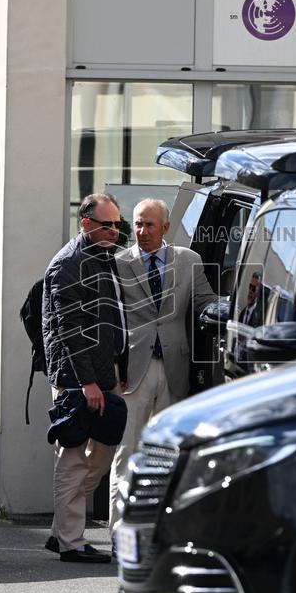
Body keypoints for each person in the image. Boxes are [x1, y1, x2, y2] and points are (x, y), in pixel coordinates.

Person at [109, 199, 217, 529]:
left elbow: (206, 303)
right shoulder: (118, 263)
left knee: (168, 452)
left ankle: (159, 529)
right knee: (127, 450)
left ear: (166, 228)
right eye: (138, 224)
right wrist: (113, 367)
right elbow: (110, 318)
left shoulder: (189, 260)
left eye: (149, 225)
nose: (141, 231)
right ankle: (118, 528)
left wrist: (244, 303)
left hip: (174, 366)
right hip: (133, 369)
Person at [42, 193, 127, 563]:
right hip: (76, 377)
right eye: (106, 224)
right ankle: (72, 543)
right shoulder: (68, 264)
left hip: (103, 373)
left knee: (104, 448)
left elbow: (113, 321)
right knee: (73, 458)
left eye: (117, 224)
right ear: (86, 223)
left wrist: (115, 371)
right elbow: (70, 330)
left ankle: (62, 529)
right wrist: (88, 383)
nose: (113, 231)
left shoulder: (105, 258)